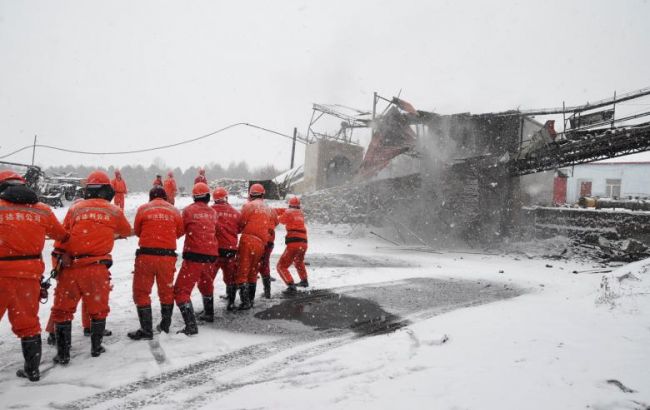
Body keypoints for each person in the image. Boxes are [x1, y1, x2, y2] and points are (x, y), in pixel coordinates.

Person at [51, 170, 131, 364]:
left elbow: (63, 232)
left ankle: (63, 353)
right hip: (96, 267)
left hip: (71, 266)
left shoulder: (76, 208)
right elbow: (126, 230)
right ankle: (96, 347)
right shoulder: (114, 211)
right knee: (98, 308)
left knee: (63, 311)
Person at [0, 170, 67, 382]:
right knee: (28, 323)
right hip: (28, 275)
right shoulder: (43, 211)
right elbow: (62, 235)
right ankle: (33, 369)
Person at [128, 186, 184, 340]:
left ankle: (146, 329)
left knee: (142, 292)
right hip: (167, 257)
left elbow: (138, 231)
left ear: (150, 197)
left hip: (146, 256)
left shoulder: (143, 209)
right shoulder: (174, 210)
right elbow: (180, 232)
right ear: (165, 197)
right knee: (166, 291)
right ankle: (165, 325)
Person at [173, 182, 218, 335]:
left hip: (194, 255)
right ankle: (209, 313)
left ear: (193, 196)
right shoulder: (212, 213)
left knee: (181, 290)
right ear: (207, 196)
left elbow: (179, 231)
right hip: (211, 255)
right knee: (206, 283)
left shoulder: (188, 211)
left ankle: (191, 326)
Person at [197, 187, 240, 318]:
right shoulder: (235, 213)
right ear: (226, 198)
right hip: (231, 251)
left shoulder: (210, 211)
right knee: (231, 278)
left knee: (207, 280)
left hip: (214, 251)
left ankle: (208, 309)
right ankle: (231, 302)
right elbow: (239, 229)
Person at [235, 183, 276, 309]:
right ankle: (251, 300)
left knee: (243, 271)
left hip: (248, 240)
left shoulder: (249, 206)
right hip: (261, 243)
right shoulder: (269, 209)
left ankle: (245, 301)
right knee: (253, 272)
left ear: (250, 194)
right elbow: (275, 222)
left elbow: (240, 222)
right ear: (263, 194)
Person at [277, 196, 309, 294]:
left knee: (281, 266)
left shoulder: (288, 212)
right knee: (298, 261)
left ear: (290, 204)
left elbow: (281, 220)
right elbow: (291, 213)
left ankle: (290, 285)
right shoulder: (301, 213)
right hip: (304, 242)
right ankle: (304, 281)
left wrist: (276, 214)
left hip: (294, 242)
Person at [257, 208, 281, 299]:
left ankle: (247, 292)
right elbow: (277, 222)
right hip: (270, 241)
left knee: (252, 263)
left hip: (260, 239)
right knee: (265, 263)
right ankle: (267, 292)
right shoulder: (271, 210)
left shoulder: (254, 208)